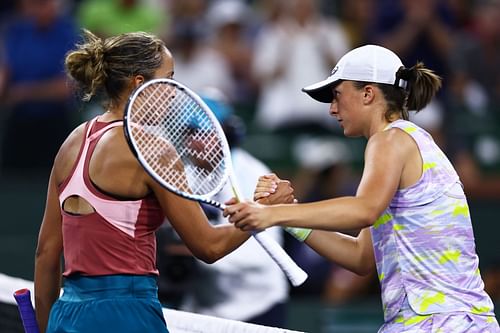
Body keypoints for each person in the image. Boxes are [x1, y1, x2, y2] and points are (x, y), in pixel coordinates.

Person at [224, 44, 500, 332]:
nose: (332, 109)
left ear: (368, 93)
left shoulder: (389, 140)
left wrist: (271, 215)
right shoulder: (405, 143)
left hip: (439, 323)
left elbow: (364, 210)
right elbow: (361, 257)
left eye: (337, 96)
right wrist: (287, 214)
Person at [34, 29, 251, 333]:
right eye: (169, 78)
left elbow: (46, 254)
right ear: (140, 83)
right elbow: (208, 246)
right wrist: (264, 213)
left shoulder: (72, 143)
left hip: (67, 316)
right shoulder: (152, 150)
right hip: (127, 317)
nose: (174, 91)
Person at [171, 88, 290, 326]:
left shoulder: (255, 175)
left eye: (202, 132)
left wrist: (197, 251)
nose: (193, 141)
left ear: (226, 133)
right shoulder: (184, 174)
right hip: (204, 309)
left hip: (257, 306)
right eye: (188, 132)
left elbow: (261, 255)